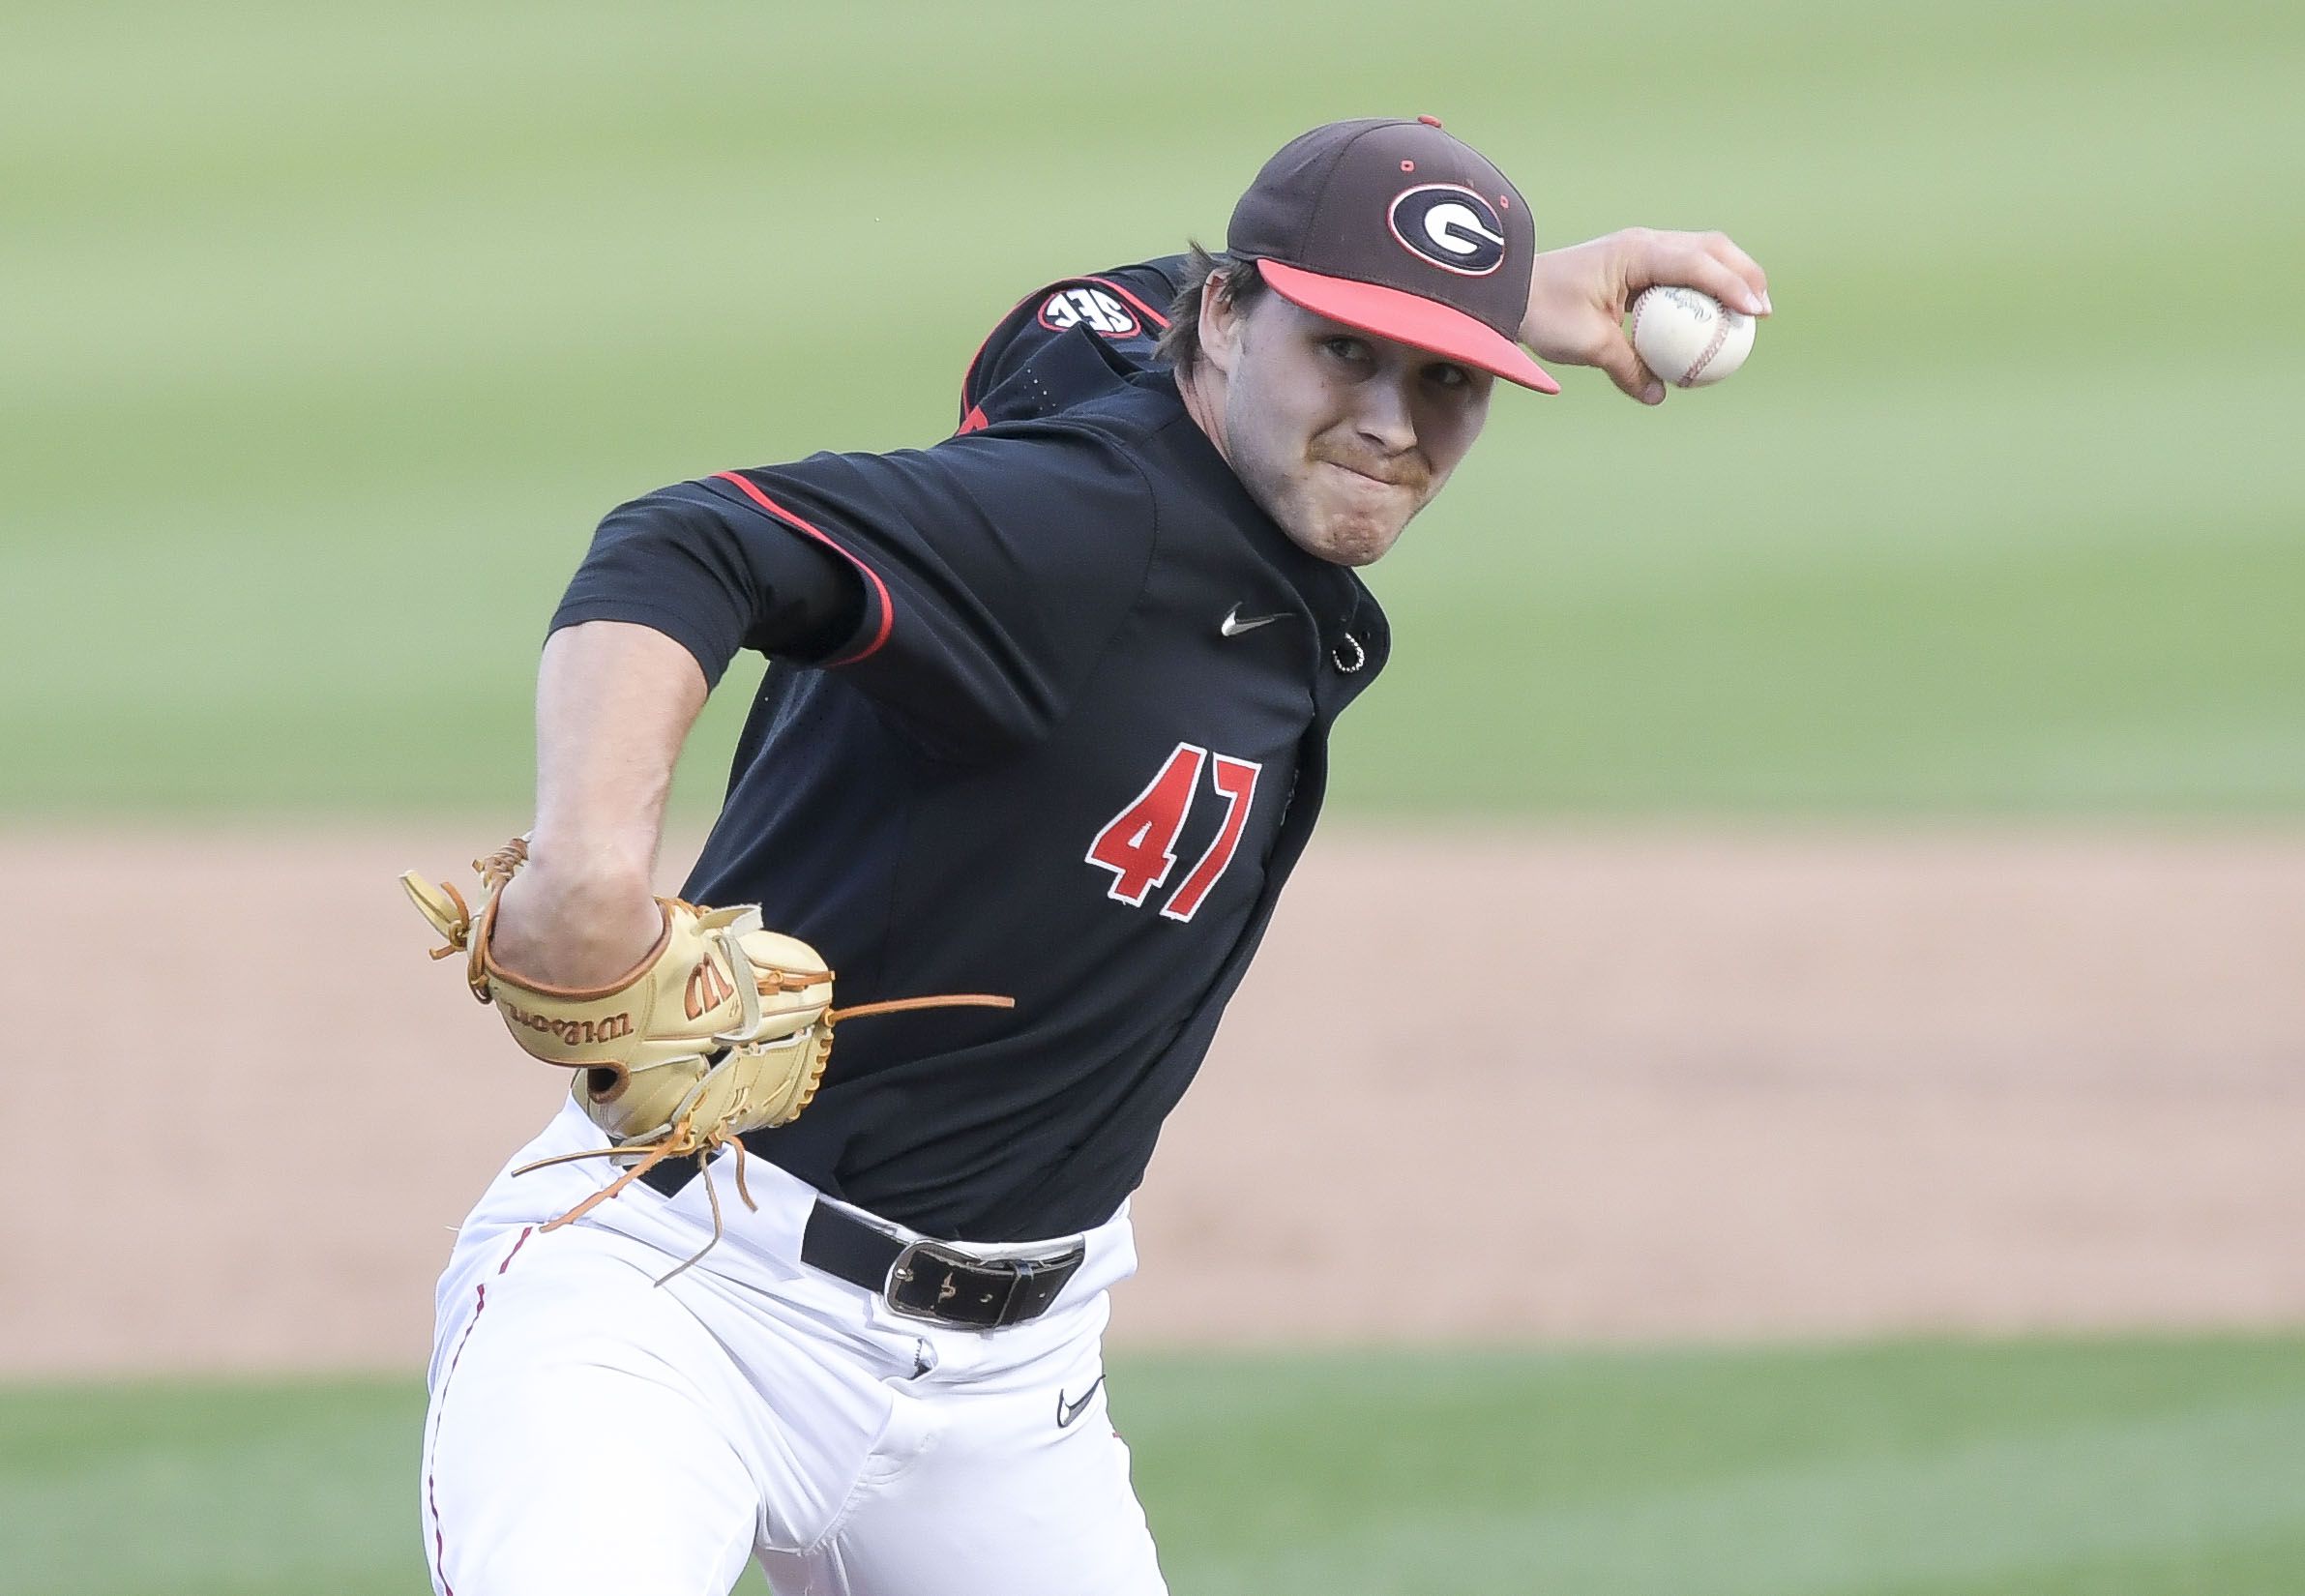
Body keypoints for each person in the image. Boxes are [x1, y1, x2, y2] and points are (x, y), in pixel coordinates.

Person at [416, 116, 1768, 1596]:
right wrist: (587, 869)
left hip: (1010, 1399)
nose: (1392, 419)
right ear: (1227, 315)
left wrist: (1497, 299)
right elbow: (688, 543)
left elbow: (1085, 308)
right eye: (1345, 353)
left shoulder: (1108, 358)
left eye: (1448, 378)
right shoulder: (1075, 530)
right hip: (677, 1301)